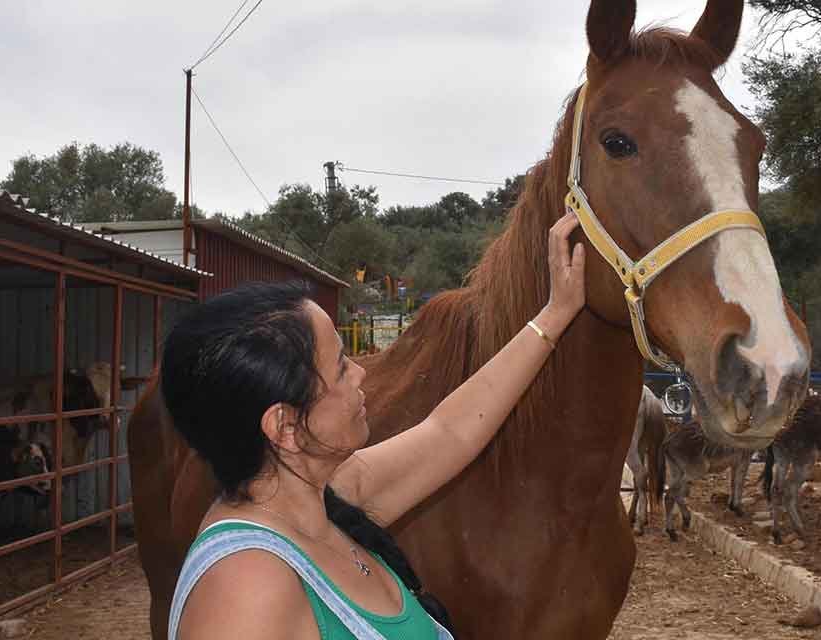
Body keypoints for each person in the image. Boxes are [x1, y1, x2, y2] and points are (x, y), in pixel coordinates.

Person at [161, 212, 586, 639]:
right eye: (342, 366)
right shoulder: (246, 588)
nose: (361, 374)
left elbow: (449, 433)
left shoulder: (322, 502)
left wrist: (555, 313)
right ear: (285, 427)